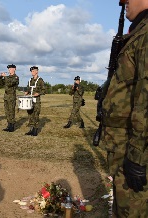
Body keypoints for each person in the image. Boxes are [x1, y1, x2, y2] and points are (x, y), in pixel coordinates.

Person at [101, 0, 148, 216]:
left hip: (135, 147)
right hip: (124, 144)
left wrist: (137, 156)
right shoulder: (138, 33)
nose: (124, 2)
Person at [24, 66, 46, 136]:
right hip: (29, 100)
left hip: (36, 101)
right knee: (30, 115)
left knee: (36, 115)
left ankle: (35, 130)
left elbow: (44, 90)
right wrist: (27, 92)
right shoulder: (30, 80)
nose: (32, 72)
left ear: (37, 71)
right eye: (31, 71)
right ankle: (31, 129)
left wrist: (38, 93)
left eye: (33, 71)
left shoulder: (40, 80)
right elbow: (28, 89)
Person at [0, 64, 19, 132]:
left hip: (12, 96)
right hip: (6, 96)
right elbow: (0, 84)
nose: (9, 70)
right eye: (8, 68)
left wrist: (5, 77)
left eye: (10, 68)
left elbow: (10, 83)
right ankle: (8, 125)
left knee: (11, 111)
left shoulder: (15, 77)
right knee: (7, 112)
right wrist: (1, 77)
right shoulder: (7, 77)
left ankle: (12, 126)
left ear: (14, 69)